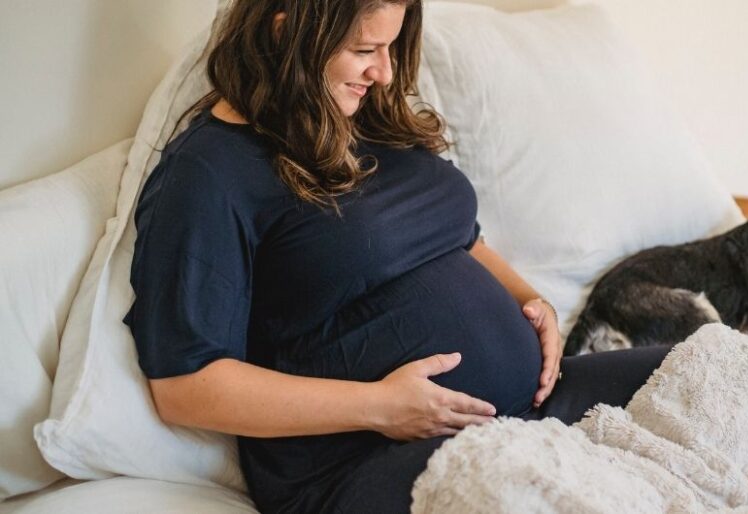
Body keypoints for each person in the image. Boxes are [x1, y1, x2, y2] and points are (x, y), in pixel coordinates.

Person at [123, 1, 671, 512]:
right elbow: (185, 387)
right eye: (364, 51)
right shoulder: (208, 174)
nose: (384, 73)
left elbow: (460, 238)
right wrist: (379, 406)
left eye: (390, 48)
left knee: (721, 366)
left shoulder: (367, 115)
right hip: (361, 461)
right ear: (286, 31)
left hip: (531, 407)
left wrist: (531, 301)